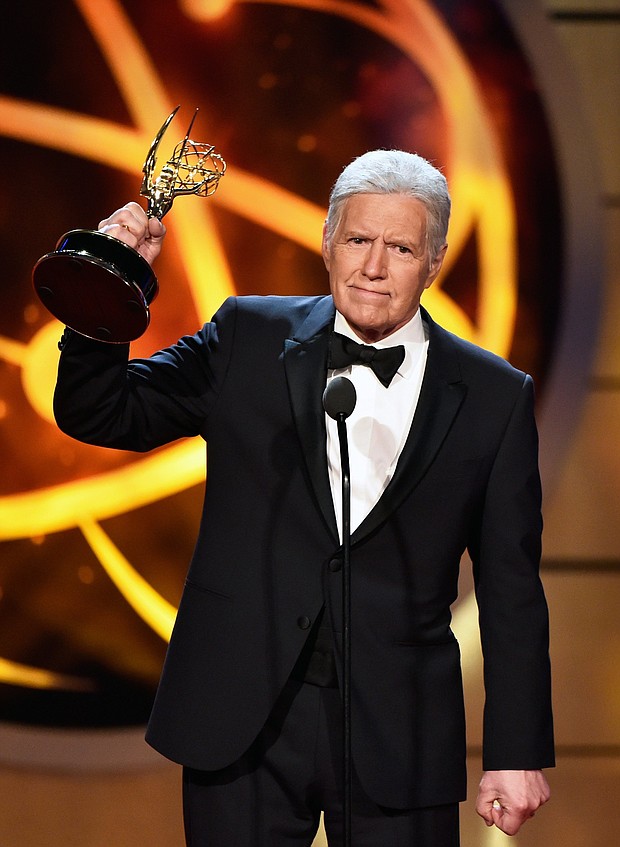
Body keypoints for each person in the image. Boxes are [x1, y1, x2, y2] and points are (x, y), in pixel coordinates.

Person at [53, 150, 554, 846]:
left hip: (399, 733)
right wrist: (103, 287)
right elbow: (100, 412)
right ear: (327, 240)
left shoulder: (494, 398)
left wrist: (517, 749)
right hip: (242, 721)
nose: (372, 267)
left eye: (401, 247)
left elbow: (511, 588)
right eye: (357, 240)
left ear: (434, 259)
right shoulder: (247, 338)